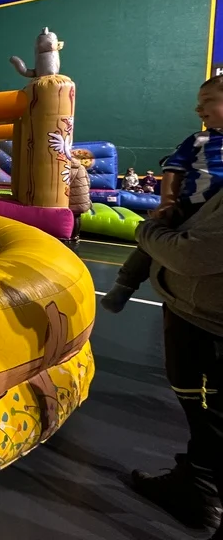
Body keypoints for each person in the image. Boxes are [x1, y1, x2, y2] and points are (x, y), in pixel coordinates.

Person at [124, 186, 223, 537]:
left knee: (210, 416)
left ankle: (201, 489)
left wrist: (147, 230)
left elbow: (190, 254)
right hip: (201, 318)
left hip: (207, 326)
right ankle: (196, 482)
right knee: (207, 418)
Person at [102, 76, 223, 312]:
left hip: (217, 212)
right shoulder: (200, 140)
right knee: (152, 243)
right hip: (191, 206)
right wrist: (168, 201)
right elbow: (172, 169)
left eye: (208, 101)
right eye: (199, 103)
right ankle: (124, 284)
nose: (198, 109)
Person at [67, 157, 91, 244]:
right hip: (82, 195)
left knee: (70, 215)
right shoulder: (81, 167)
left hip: (73, 194)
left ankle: (69, 235)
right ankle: (76, 236)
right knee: (77, 215)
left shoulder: (67, 168)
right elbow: (88, 181)